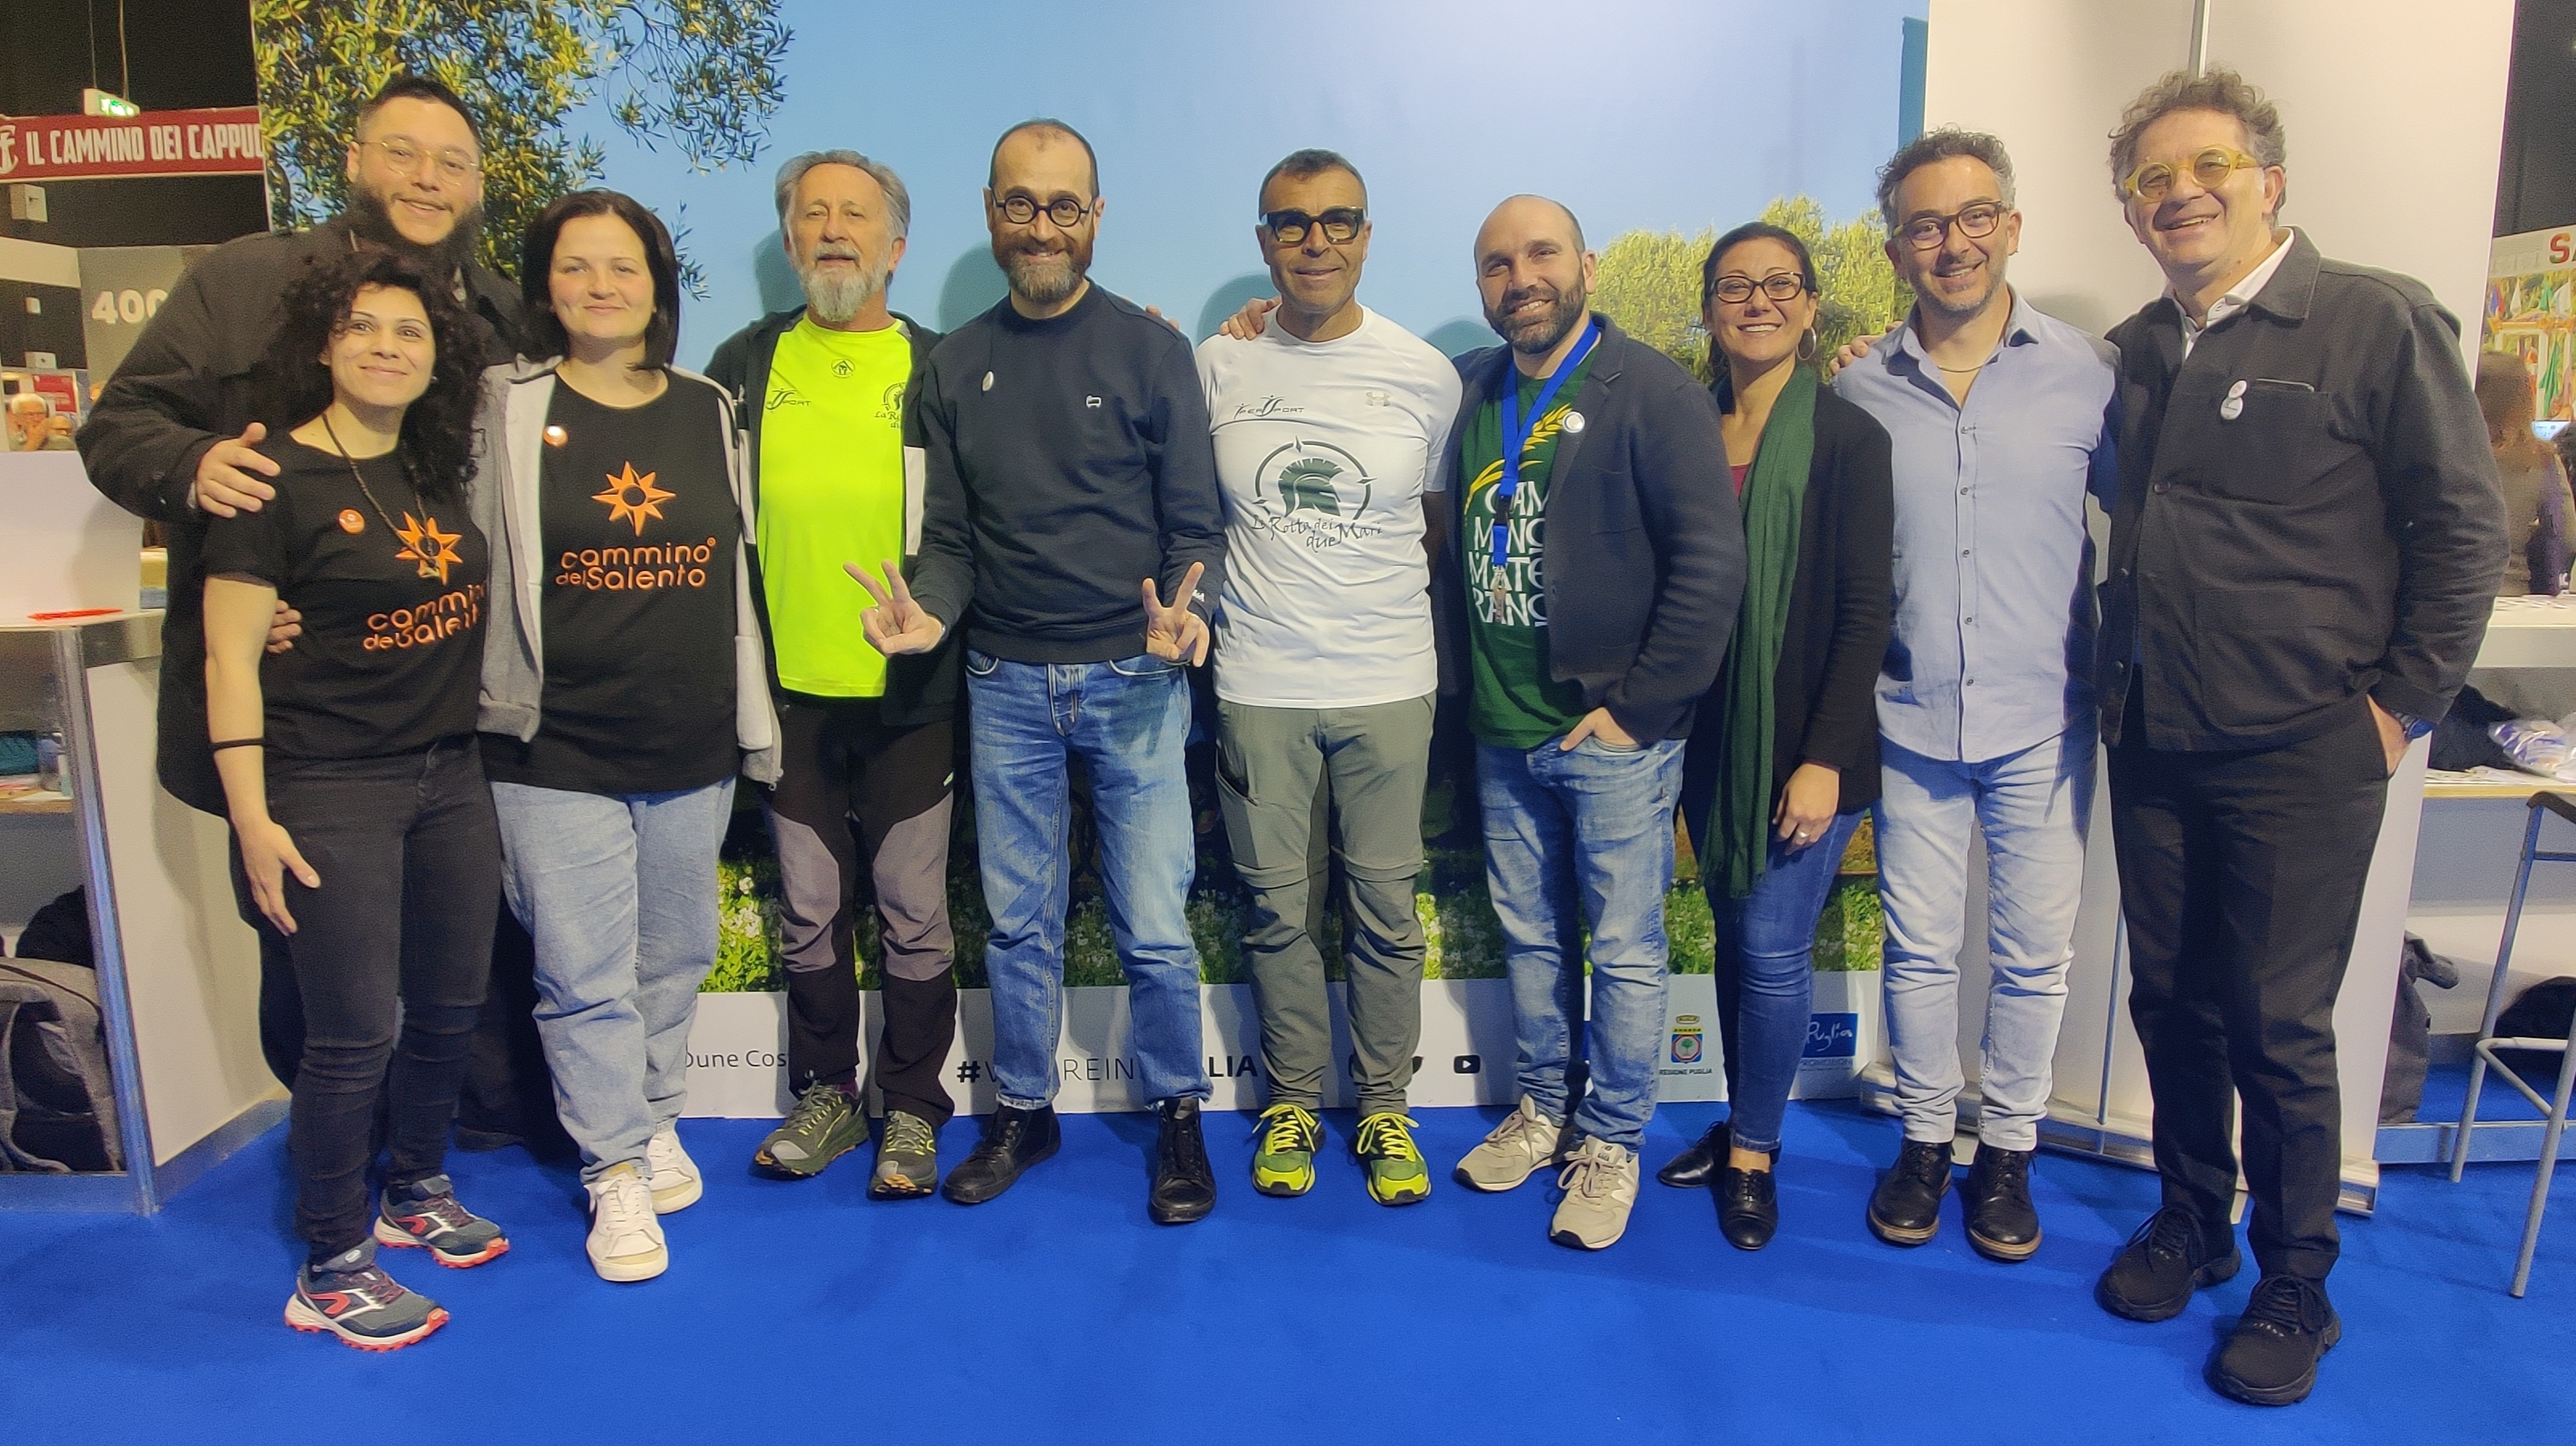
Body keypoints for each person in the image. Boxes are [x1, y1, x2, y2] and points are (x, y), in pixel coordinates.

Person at [2089, 70, 2505, 1407]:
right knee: (2171, 1000)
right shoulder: (2138, 349)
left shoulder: (2372, 320)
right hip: (2154, 730)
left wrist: (2400, 705)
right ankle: (2190, 1220)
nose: (2178, 193)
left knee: (2276, 1022)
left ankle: (2294, 1280)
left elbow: (2461, 524)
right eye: (2150, 179)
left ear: (2268, 179)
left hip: (2302, 745)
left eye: (2206, 166)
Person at [77, 73, 523, 1098]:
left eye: (452, 163)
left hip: (443, 717)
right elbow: (118, 424)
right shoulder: (245, 280)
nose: (427, 178)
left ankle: (431, 1151)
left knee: (455, 971)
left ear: (477, 186)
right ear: (355, 162)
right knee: (313, 976)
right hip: (291, 724)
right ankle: (331, 1156)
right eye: (402, 153)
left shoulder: (502, 310)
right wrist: (196, 467)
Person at [853, 119, 1229, 1223]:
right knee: (1018, 922)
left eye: (1064, 206)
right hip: (1004, 683)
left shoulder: (1152, 351)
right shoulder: (948, 366)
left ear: (1096, 217)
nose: (1042, 227)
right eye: (1020, 204)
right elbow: (947, 541)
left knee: (1152, 923)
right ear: (989, 211)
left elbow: (1193, 525)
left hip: (1135, 679)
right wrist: (930, 612)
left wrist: (1189, 613)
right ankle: (1024, 1110)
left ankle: (1177, 1113)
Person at [1797, 129, 2117, 1263]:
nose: (1953, 243)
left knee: (2033, 958)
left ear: (2011, 228)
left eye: (1975, 217)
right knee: (1920, 952)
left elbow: (2156, 525)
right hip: (1911, 714)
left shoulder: (2090, 374)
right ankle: (1927, 1142)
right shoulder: (1855, 389)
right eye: (1926, 225)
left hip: (2045, 718)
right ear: (1896, 250)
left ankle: (2008, 1155)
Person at [201, 244, 507, 1349]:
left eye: (409, 332)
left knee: (450, 1006)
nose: (387, 347)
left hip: (448, 774)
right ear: (324, 345)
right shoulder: (269, 478)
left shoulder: (431, 468)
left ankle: (413, 1187)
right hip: (328, 785)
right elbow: (229, 659)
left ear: (437, 356)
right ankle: (330, 1262)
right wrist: (252, 819)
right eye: (363, 327)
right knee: (353, 1033)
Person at [471, 190, 777, 1282]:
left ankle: (655, 1117)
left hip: (691, 738)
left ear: (657, 288)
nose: (600, 286)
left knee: (676, 952)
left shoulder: (707, 407)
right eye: (576, 266)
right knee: (582, 972)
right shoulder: (502, 406)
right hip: (554, 745)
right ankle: (612, 1170)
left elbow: (735, 566)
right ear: (543, 286)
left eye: (624, 267)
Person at [1443, 195, 1744, 1250]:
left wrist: (1640, 710)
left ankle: (1611, 1138)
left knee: (1621, 948)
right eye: (1496, 263)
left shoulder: (1652, 390)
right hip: (1500, 728)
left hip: (1608, 734)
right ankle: (1543, 1109)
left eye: (1541, 254)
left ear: (1587, 266)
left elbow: (1711, 563)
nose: (1520, 277)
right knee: (1530, 937)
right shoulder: (1471, 389)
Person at [1193, 149, 1458, 1206]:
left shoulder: (1423, 374)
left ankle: (1385, 1105)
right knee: (1277, 910)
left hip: (1389, 682)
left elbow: (1432, 530)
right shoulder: (1218, 364)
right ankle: (1294, 1100)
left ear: (1365, 235)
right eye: (1291, 223)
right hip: (1258, 683)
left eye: (1337, 220)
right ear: (1264, 242)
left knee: (1386, 911)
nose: (1315, 241)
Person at [707, 149, 963, 1199]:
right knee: (809, 909)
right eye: (813, 213)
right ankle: (826, 1096)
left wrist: (931, 612)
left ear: (895, 246)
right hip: (787, 697)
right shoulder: (743, 363)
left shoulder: (938, 368)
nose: (832, 230)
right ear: (788, 240)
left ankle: (911, 1109)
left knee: (913, 909)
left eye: (855, 214)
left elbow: (966, 528)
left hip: (910, 698)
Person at [1659, 223, 1892, 1251]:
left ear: (1810, 305)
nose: (1759, 301)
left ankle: (1755, 1154)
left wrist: (1823, 761)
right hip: (1708, 743)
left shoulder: (1850, 440)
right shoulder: (1685, 428)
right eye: (1735, 286)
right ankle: (1738, 1120)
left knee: (1769, 948)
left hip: (1808, 751)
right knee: (1733, 944)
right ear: (1710, 309)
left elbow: (1865, 611)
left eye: (1780, 284)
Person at [2473, 350, 2572, 596]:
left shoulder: (2445, 453)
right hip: (2513, 594)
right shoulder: (2541, 460)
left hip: (2446, 596)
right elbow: (2566, 533)